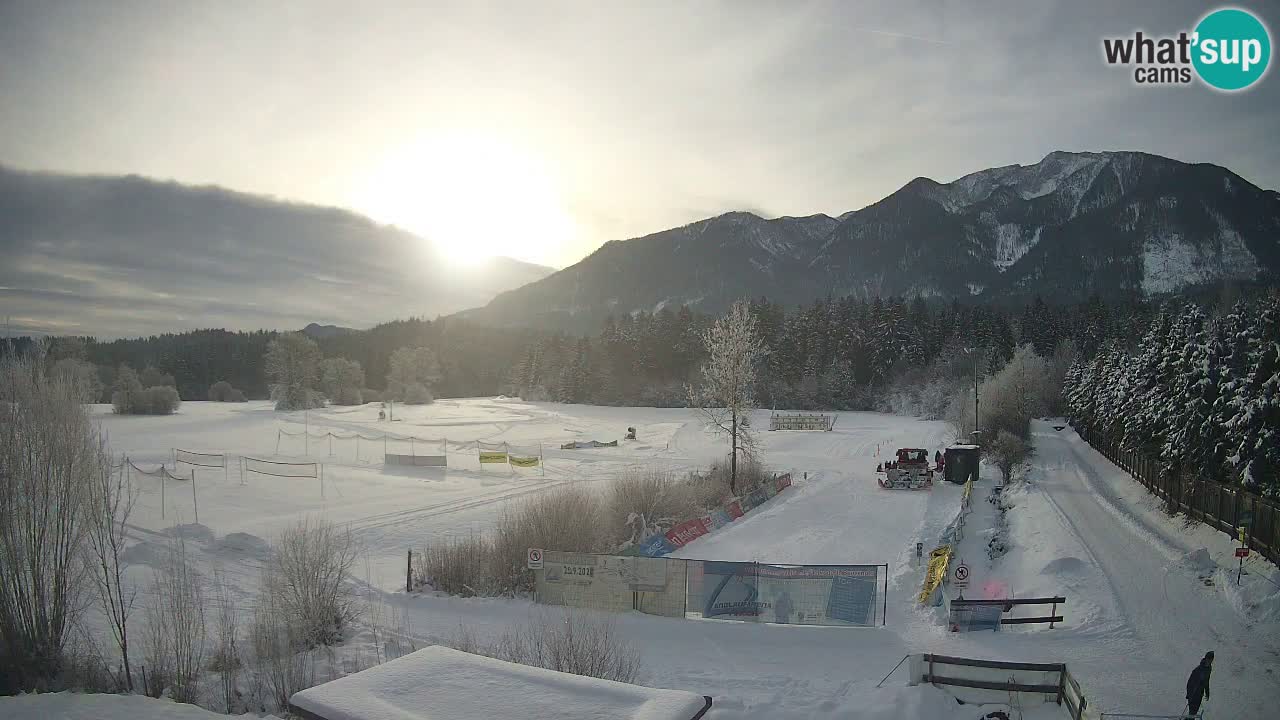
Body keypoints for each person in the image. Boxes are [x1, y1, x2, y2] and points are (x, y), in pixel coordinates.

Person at [1185, 651, 1213, 716]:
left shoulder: (1208, 669)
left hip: (1200, 694)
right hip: (1193, 694)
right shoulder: (1198, 670)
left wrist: (1207, 692)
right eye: (1208, 659)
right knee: (1192, 713)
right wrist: (1189, 695)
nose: (1209, 661)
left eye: (1211, 660)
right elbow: (1189, 683)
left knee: (1193, 713)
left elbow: (1207, 681)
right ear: (1206, 658)